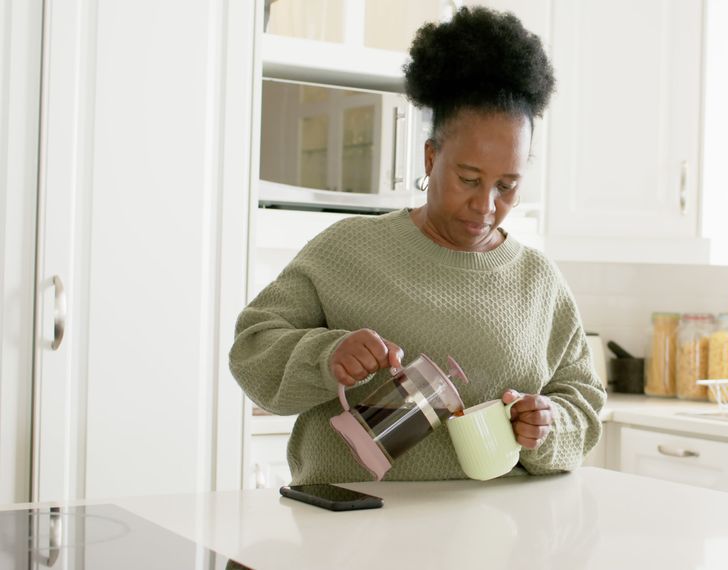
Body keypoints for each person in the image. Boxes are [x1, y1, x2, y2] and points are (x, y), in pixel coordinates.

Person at [229, 7, 606, 484]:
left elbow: (584, 405)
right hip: (352, 534)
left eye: (508, 185)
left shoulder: (538, 281)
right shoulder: (346, 250)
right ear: (431, 157)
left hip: (495, 540)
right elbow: (251, 351)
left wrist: (547, 426)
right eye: (468, 179)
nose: (486, 205)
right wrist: (327, 355)